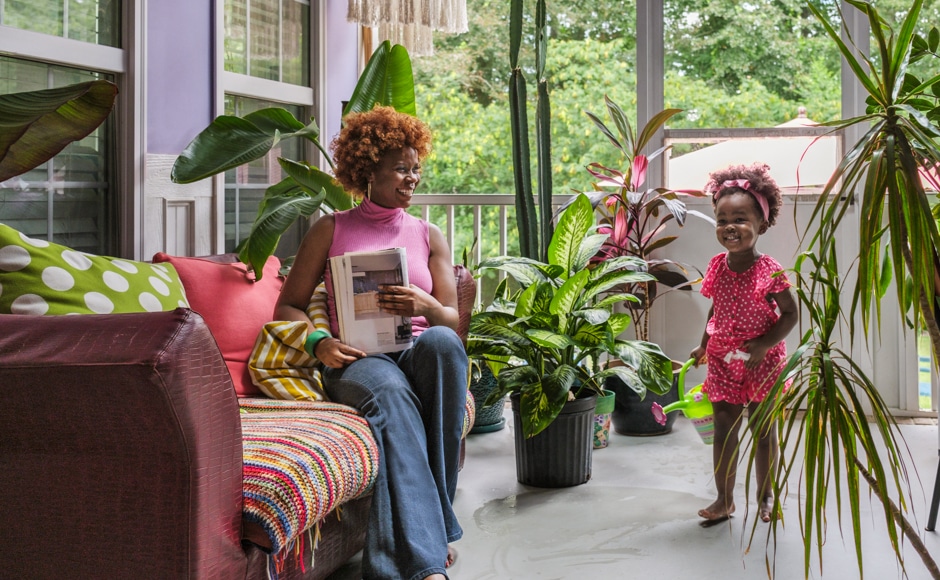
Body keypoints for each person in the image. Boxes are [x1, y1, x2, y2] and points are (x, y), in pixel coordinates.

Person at [275, 106, 467, 580]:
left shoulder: (428, 233)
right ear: (368, 171)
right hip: (357, 357)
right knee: (392, 394)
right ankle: (425, 564)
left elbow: (451, 319)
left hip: (416, 348)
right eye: (401, 168)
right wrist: (320, 342)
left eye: (415, 167)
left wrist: (422, 301)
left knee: (443, 344)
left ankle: (428, 529)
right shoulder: (330, 229)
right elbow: (287, 306)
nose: (412, 178)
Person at [689, 163, 798, 525]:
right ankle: (724, 500)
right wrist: (704, 344)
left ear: (761, 225)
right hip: (723, 362)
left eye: (740, 219)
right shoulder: (717, 266)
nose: (729, 227)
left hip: (760, 363)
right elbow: (715, 308)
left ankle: (766, 497)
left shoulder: (770, 270)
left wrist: (764, 345)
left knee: (764, 433)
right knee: (723, 430)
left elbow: (790, 315)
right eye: (722, 220)